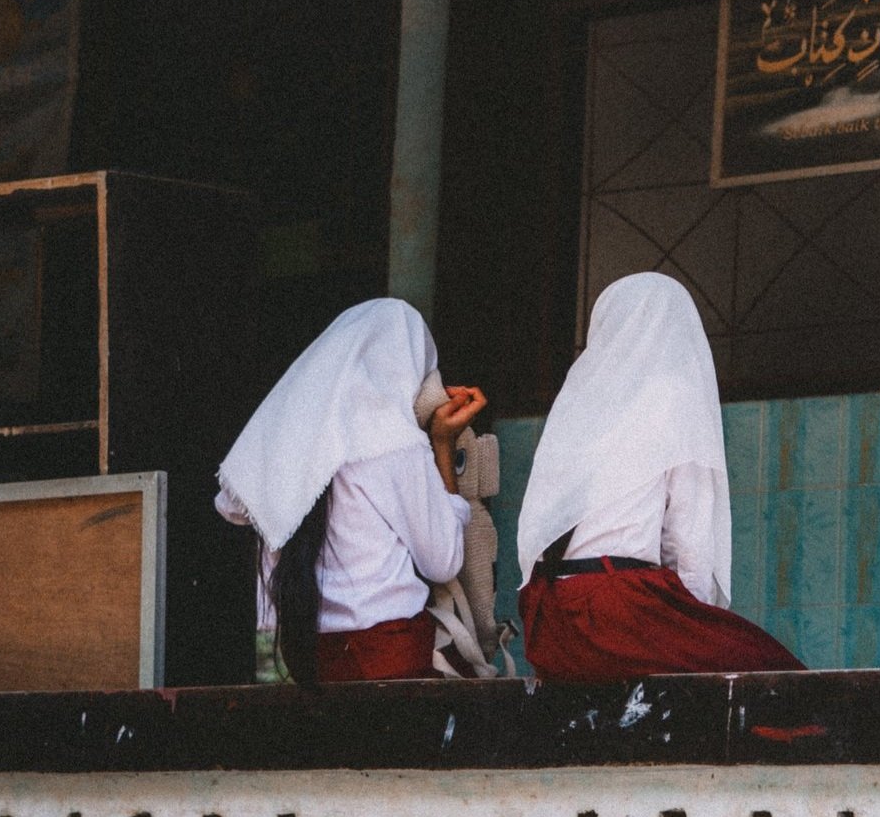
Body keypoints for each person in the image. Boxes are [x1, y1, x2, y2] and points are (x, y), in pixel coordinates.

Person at [517, 272, 804, 681]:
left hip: (548, 622)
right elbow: (691, 546)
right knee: (782, 676)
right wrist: (689, 626)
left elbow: (535, 532)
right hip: (619, 613)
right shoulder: (672, 395)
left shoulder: (577, 398)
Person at [216, 298, 488, 683]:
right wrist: (442, 444)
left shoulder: (289, 442)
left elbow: (240, 513)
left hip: (307, 656)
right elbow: (443, 561)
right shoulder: (392, 441)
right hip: (387, 652)